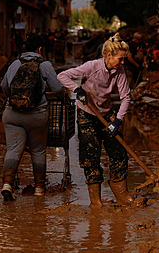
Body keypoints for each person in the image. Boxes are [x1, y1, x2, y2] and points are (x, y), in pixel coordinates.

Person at [57, 33, 133, 208]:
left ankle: (121, 194)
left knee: (118, 152)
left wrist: (118, 121)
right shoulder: (91, 67)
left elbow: (126, 97)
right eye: (120, 59)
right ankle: (96, 201)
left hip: (106, 113)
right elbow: (63, 76)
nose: (122, 63)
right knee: (91, 156)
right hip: (87, 114)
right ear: (108, 56)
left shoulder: (119, 71)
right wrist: (78, 90)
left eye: (123, 59)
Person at [0, 34, 65, 201]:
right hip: (36, 116)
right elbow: (57, 89)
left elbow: (4, 86)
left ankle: (7, 184)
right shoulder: (45, 65)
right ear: (40, 49)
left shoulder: (14, 64)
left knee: (13, 149)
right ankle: (39, 188)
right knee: (38, 150)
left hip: (12, 114)